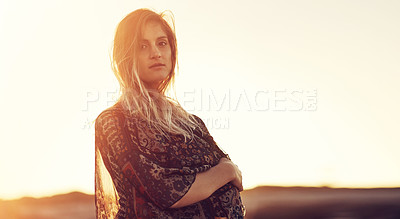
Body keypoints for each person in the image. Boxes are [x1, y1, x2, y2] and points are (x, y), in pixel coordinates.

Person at [94, 8, 245, 219]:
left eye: (162, 43)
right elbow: (166, 191)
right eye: (142, 46)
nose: (155, 52)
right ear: (126, 56)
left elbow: (237, 180)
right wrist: (226, 172)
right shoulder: (112, 121)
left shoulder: (193, 124)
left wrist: (226, 173)